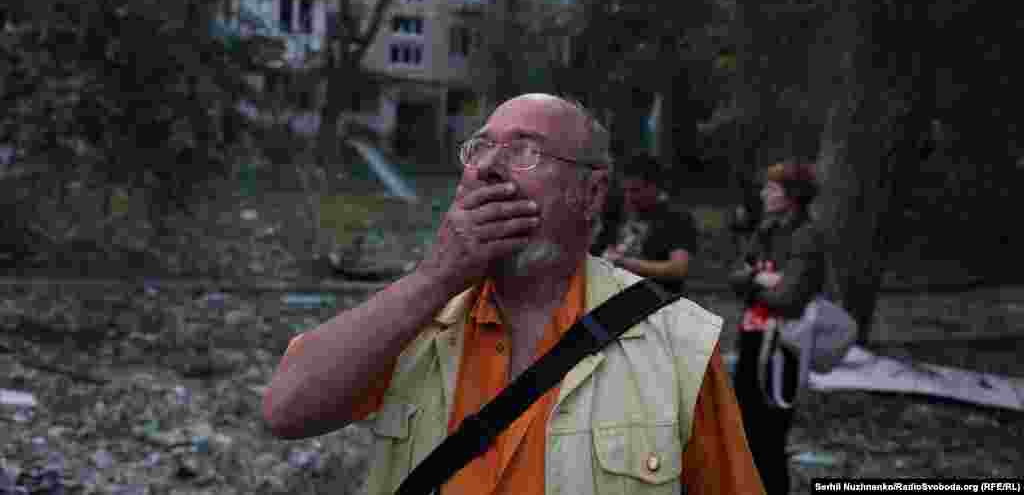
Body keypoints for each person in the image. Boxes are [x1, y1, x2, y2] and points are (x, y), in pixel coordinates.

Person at [264, 93, 765, 495]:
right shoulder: (415, 317)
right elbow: (286, 410)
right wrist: (435, 277)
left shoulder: (678, 343)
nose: (487, 168)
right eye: (479, 148)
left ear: (591, 194)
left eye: (525, 150)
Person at [728, 161, 825, 495]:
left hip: (782, 349)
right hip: (752, 339)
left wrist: (754, 281)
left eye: (772, 189)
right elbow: (735, 277)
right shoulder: (767, 231)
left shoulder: (807, 237)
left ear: (792, 196)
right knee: (744, 430)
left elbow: (790, 298)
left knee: (769, 437)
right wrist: (759, 278)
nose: (764, 193)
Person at [594, 153, 696, 284]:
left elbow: (678, 268)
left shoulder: (676, 218)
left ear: (654, 187)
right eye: (625, 190)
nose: (629, 197)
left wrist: (623, 263)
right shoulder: (616, 215)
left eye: (636, 190)